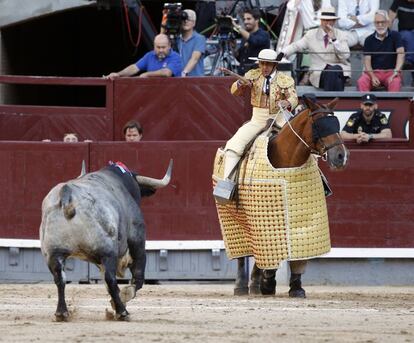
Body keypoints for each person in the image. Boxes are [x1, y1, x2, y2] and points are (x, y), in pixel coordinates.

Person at [213, 49, 298, 202]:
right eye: (262, 63)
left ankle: (318, 182)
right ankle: (226, 185)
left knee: (302, 141)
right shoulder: (252, 75)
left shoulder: (285, 79)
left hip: (279, 118)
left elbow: (294, 97)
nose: (264, 67)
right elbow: (234, 91)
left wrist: (287, 102)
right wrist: (240, 83)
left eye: (268, 64)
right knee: (234, 145)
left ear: (274, 65)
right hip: (257, 119)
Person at [282, 7, 351, 91]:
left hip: (338, 70)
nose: (327, 23)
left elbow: (345, 55)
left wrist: (334, 39)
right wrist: (283, 53)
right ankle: (336, 100)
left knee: (335, 71)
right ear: (321, 21)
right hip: (319, 72)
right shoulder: (311, 34)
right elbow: (296, 46)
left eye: (330, 21)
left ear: (334, 22)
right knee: (336, 79)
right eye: (325, 20)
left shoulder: (341, 35)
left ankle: (330, 99)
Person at [286, 0, 332, 85]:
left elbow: (329, 14)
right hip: (309, 32)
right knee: (311, 42)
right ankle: (308, 74)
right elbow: (290, 7)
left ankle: (307, 74)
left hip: (323, 30)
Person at [357, 10, 405, 92]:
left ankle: (392, 105)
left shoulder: (396, 36)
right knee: (362, 81)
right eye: (377, 22)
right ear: (374, 24)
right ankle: (366, 104)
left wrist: (395, 72)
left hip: (391, 71)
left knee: (395, 82)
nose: (380, 25)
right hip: (374, 72)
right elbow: (367, 61)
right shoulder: (369, 39)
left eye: (383, 22)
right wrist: (372, 76)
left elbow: (401, 54)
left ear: (387, 22)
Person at [104, 34, 182, 79]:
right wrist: (118, 74)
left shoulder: (175, 57)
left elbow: (167, 73)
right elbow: (135, 67)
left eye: (163, 47)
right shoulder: (149, 55)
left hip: (171, 98)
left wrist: (147, 74)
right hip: (152, 96)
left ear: (169, 46)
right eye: (158, 47)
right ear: (154, 46)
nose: (161, 50)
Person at [231, 8, 271, 75]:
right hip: (243, 75)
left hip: (257, 76)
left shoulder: (264, 34)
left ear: (257, 20)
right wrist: (234, 48)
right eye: (244, 19)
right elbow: (240, 59)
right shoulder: (245, 36)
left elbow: (254, 41)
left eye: (249, 19)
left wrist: (237, 27)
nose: (245, 22)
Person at [389, 0, 414, 86]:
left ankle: (409, 61)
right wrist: (387, 35)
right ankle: (409, 60)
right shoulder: (398, 1)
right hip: (404, 32)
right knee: (408, 36)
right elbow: (390, 19)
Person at [177, 9, 206, 77]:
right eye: (183, 19)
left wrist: (183, 73)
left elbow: (194, 58)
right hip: (178, 80)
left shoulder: (199, 38)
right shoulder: (177, 38)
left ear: (194, 23)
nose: (186, 21)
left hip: (195, 79)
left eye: (189, 19)